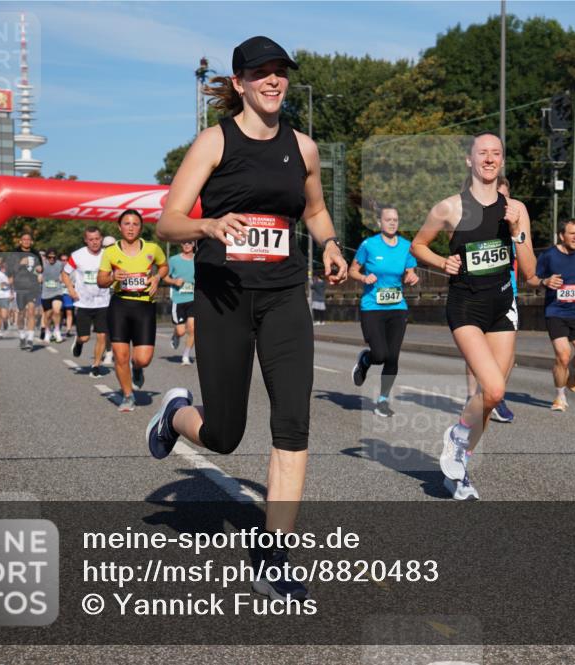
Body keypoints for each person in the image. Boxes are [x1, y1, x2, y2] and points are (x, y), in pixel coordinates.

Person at [148, 35, 348, 601]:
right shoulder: (214, 142)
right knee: (225, 434)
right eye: (261, 71)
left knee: (292, 422)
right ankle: (175, 415)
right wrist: (207, 226)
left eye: (280, 70)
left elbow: (313, 207)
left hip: (285, 295)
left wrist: (330, 244)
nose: (273, 79)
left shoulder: (303, 148)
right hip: (224, 298)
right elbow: (167, 222)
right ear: (238, 83)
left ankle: (274, 553)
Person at [410, 132, 536, 500]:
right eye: (482, 152)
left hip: (501, 304)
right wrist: (441, 261)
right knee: (494, 388)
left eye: (496, 153)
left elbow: (528, 271)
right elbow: (418, 244)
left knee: (491, 397)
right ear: (469, 159)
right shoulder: (449, 207)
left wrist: (517, 233)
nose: (489, 158)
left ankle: (458, 470)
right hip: (465, 305)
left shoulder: (517, 209)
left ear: (502, 161)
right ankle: (457, 437)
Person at [349, 205, 420, 417]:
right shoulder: (368, 245)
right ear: (380, 223)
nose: (392, 222)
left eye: (395, 219)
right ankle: (365, 361)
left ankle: (382, 400)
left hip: (397, 308)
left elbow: (410, 273)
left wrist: (412, 278)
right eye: (388, 219)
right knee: (379, 354)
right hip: (372, 308)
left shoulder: (407, 246)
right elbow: (352, 269)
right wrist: (363, 277)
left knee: (392, 357)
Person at [97, 210, 167, 412]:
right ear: (120, 227)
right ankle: (128, 395)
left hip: (144, 306)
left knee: (143, 359)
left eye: (135, 224)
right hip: (120, 305)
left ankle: (137, 369)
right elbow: (101, 281)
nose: (130, 227)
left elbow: (163, 266)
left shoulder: (152, 248)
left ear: (141, 228)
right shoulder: (110, 252)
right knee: (120, 356)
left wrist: (156, 278)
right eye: (126, 223)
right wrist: (112, 276)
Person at [529, 219, 575, 412]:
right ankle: (559, 397)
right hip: (555, 312)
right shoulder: (548, 256)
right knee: (563, 355)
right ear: (561, 235)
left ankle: (570, 371)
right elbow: (531, 280)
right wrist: (545, 281)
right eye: (572, 233)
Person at [464, 177, 517, 423]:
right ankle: (472, 395)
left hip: (508, 293)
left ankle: (495, 395)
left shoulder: (516, 219)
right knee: (477, 352)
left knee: (509, 355)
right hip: (476, 295)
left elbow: (529, 267)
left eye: (504, 199)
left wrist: (518, 234)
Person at [63, 227, 112, 377]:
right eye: (91, 239)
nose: (94, 242)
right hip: (83, 302)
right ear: (86, 240)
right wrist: (71, 290)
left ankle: (96, 365)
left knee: (102, 335)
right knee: (85, 337)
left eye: (97, 239)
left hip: (103, 301)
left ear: (101, 239)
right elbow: (65, 274)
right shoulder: (77, 255)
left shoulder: (108, 255)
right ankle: (78, 342)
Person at [8, 231, 43, 350]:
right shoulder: (15, 253)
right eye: (24, 239)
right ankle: (22, 336)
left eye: (28, 239)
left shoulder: (35, 253)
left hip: (33, 286)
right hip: (19, 286)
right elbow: (10, 270)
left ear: (31, 241)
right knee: (21, 313)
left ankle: (30, 339)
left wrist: (39, 270)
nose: (26, 241)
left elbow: (40, 268)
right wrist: (20, 263)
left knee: (31, 311)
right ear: (20, 241)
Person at [165, 240, 196, 365]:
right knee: (181, 331)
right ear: (181, 245)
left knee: (193, 329)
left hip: (194, 299)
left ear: (194, 244)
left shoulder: (198, 259)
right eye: (184, 243)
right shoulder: (174, 260)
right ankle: (175, 335)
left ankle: (186, 355)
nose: (187, 245)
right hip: (178, 299)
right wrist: (174, 282)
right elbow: (164, 276)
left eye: (189, 242)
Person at [39, 249, 65, 343]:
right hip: (46, 293)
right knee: (47, 315)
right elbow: (37, 274)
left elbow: (64, 275)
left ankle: (57, 331)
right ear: (46, 257)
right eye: (50, 257)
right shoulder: (43, 265)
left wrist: (63, 279)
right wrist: (39, 276)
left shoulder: (60, 264)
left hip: (57, 291)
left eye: (54, 257)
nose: (52, 259)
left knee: (57, 310)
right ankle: (47, 331)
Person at [59, 252, 75, 337]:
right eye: (62, 260)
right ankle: (58, 328)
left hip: (68, 293)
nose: (64, 262)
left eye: (65, 260)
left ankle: (68, 330)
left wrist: (69, 284)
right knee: (59, 312)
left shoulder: (72, 271)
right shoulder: (57, 269)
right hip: (58, 293)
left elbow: (75, 283)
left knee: (69, 312)